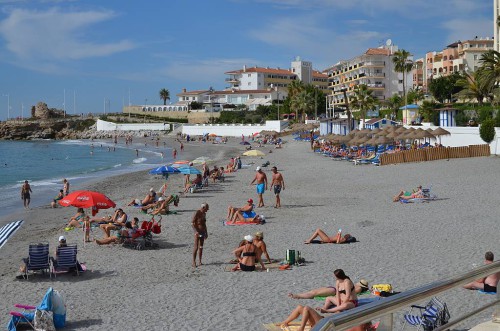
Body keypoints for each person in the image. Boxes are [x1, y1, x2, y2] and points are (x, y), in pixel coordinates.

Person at [288, 279, 369, 299]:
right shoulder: (358, 288)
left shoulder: (358, 288)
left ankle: (298, 295)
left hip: (334, 290)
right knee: (314, 292)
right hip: (334, 290)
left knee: (314, 293)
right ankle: (298, 295)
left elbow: (347, 293)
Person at [192, 203, 209, 267]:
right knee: (196, 247)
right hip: (197, 232)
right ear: (203, 207)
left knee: (201, 247)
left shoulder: (204, 214)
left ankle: (200, 261)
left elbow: (204, 224)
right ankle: (194, 262)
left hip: (202, 232)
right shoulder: (197, 213)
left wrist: (206, 232)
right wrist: (195, 231)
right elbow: (192, 223)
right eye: (207, 208)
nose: (207, 210)